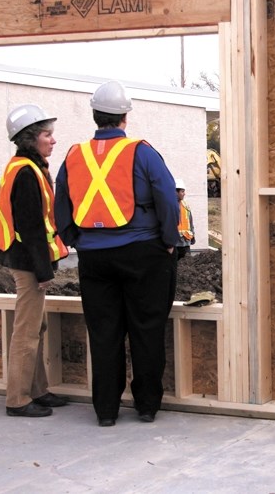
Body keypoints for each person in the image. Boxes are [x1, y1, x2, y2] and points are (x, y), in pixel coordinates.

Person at [54, 80, 180, 427]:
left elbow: (60, 200)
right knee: (146, 328)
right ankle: (147, 406)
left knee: (104, 332)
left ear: (95, 115)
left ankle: (106, 410)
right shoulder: (142, 152)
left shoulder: (73, 154)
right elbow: (167, 198)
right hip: (143, 252)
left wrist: (74, 238)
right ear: (125, 116)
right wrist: (169, 239)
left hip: (94, 258)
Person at [0, 104, 70, 418]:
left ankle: (37, 390)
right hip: (27, 261)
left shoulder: (27, 168)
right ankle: (18, 399)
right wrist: (43, 270)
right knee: (26, 331)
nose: (53, 140)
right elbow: (31, 226)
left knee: (37, 324)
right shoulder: (25, 172)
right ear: (30, 138)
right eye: (48, 135)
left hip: (24, 258)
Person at [174, 179, 195, 260]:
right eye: (182, 191)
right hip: (174, 244)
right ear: (176, 192)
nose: (184, 194)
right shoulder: (170, 206)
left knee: (187, 268)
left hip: (186, 243)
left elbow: (190, 222)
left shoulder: (185, 205)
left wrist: (193, 235)